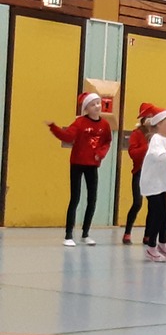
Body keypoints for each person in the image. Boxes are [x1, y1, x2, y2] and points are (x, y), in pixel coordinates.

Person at [47, 92, 113, 247]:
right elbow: (67, 136)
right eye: (92, 104)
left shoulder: (105, 125)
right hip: (77, 163)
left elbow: (107, 142)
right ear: (86, 109)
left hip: (92, 165)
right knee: (75, 198)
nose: (97, 106)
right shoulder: (80, 123)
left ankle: (85, 234)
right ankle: (68, 235)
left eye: (98, 103)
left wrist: (100, 154)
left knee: (92, 199)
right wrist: (53, 127)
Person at [140, 105, 166, 262]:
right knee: (158, 214)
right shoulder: (156, 139)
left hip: (160, 182)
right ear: (159, 124)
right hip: (152, 182)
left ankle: (162, 244)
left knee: (165, 214)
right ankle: (151, 247)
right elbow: (160, 156)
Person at [123, 103, 155, 245]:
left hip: (152, 174)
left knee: (153, 205)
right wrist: (147, 146)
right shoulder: (136, 134)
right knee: (137, 203)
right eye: (148, 117)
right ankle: (127, 232)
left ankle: (148, 235)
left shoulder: (158, 135)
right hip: (139, 172)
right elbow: (133, 154)